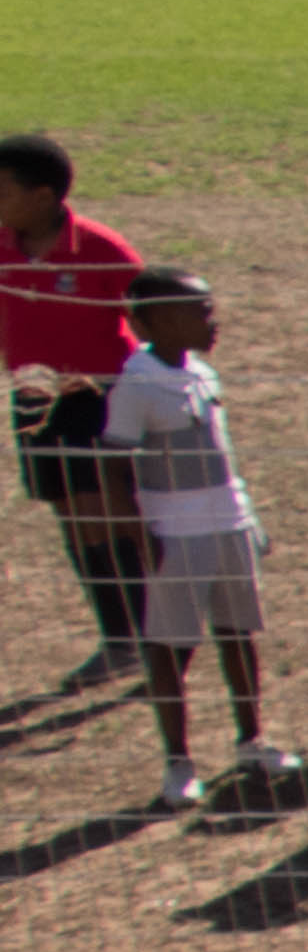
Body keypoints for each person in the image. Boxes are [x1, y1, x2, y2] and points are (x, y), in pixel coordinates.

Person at [92, 268, 282, 804]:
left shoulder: (202, 371)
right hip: (175, 533)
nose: (211, 320)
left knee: (237, 633)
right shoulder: (137, 384)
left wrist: (251, 519)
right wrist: (138, 533)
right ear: (152, 321)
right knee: (171, 646)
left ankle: (251, 739)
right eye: (198, 310)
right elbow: (114, 466)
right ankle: (177, 761)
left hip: (228, 524)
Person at [0, 131, 150, 667]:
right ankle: (117, 636)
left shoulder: (102, 250)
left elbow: (151, 321)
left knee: (108, 512)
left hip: (101, 395)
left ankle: (145, 633)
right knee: (71, 515)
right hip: (36, 400)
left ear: (42, 197)